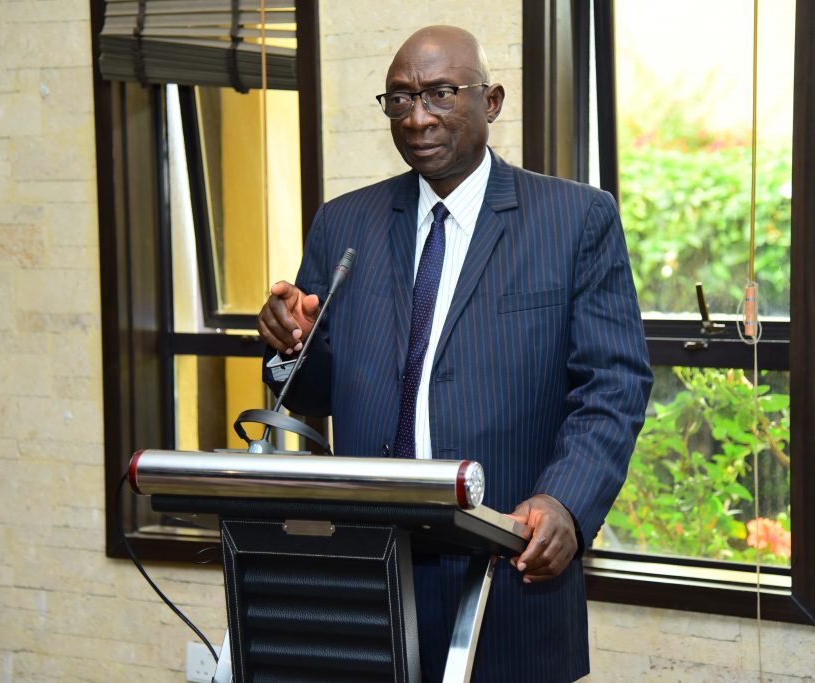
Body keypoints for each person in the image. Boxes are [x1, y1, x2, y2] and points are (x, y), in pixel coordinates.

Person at [257, 25, 652, 683]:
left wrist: (565, 503)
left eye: (441, 93)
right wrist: (288, 344)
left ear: (490, 101)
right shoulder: (343, 223)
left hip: (508, 569)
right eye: (400, 98)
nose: (417, 118)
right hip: (372, 573)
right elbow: (312, 393)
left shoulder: (574, 220)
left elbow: (613, 385)